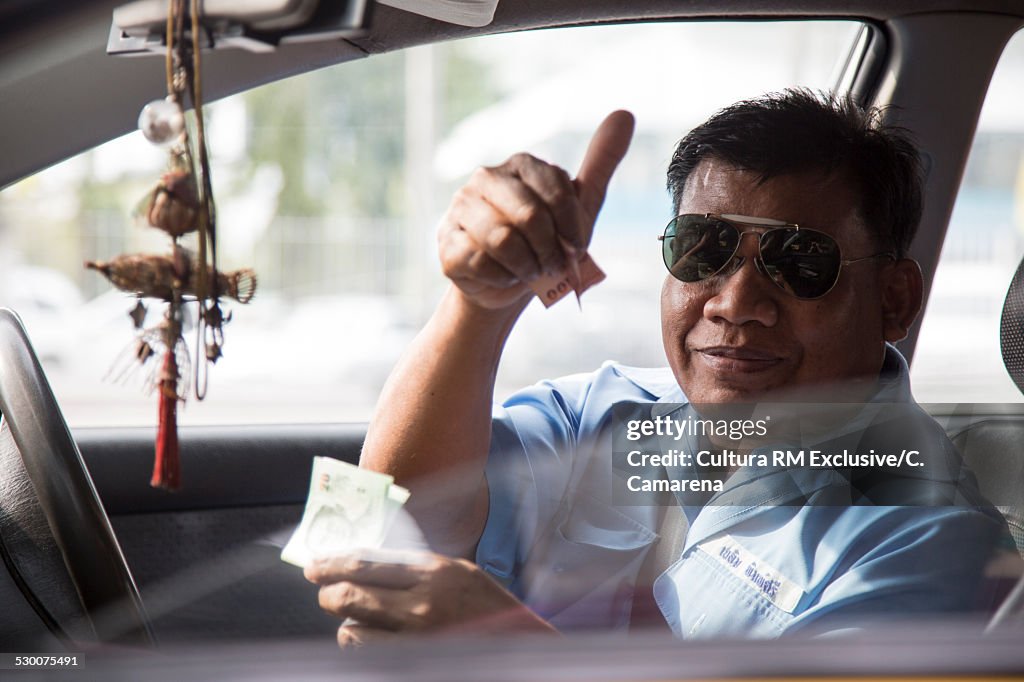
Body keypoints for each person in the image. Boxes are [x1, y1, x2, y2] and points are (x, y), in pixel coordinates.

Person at [304, 90, 1012, 646]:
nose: (735, 304)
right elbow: (362, 524)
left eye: (800, 262)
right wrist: (477, 305)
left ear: (894, 300)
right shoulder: (603, 416)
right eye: (703, 249)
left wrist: (511, 654)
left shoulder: (929, 540)